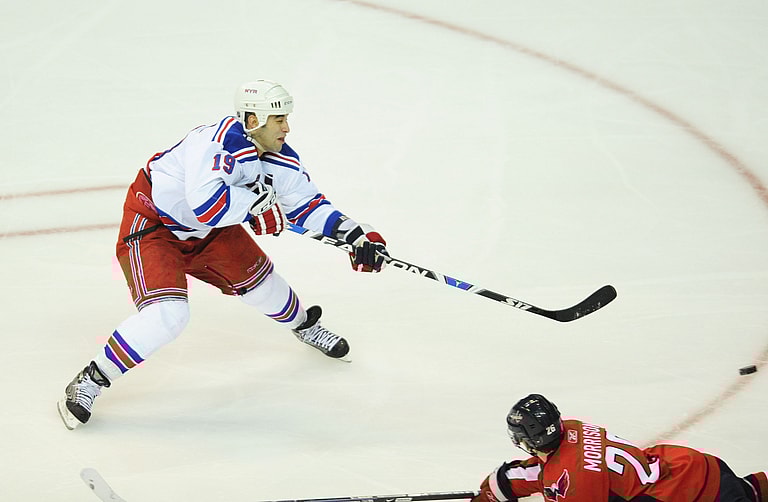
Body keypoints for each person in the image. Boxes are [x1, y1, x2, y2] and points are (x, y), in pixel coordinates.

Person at [57, 80, 389, 430]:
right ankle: (91, 379)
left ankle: (304, 326)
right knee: (167, 316)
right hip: (155, 227)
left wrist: (357, 236)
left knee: (263, 285)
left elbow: (309, 205)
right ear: (253, 120)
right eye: (278, 119)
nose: (287, 128)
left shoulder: (281, 159)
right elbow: (206, 205)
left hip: (211, 231)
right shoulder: (212, 144)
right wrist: (256, 207)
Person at [472, 393, 767, 502]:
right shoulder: (572, 429)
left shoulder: (575, 482)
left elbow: (557, 478)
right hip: (691, 465)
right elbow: (544, 473)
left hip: (696, 495)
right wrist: (498, 488)